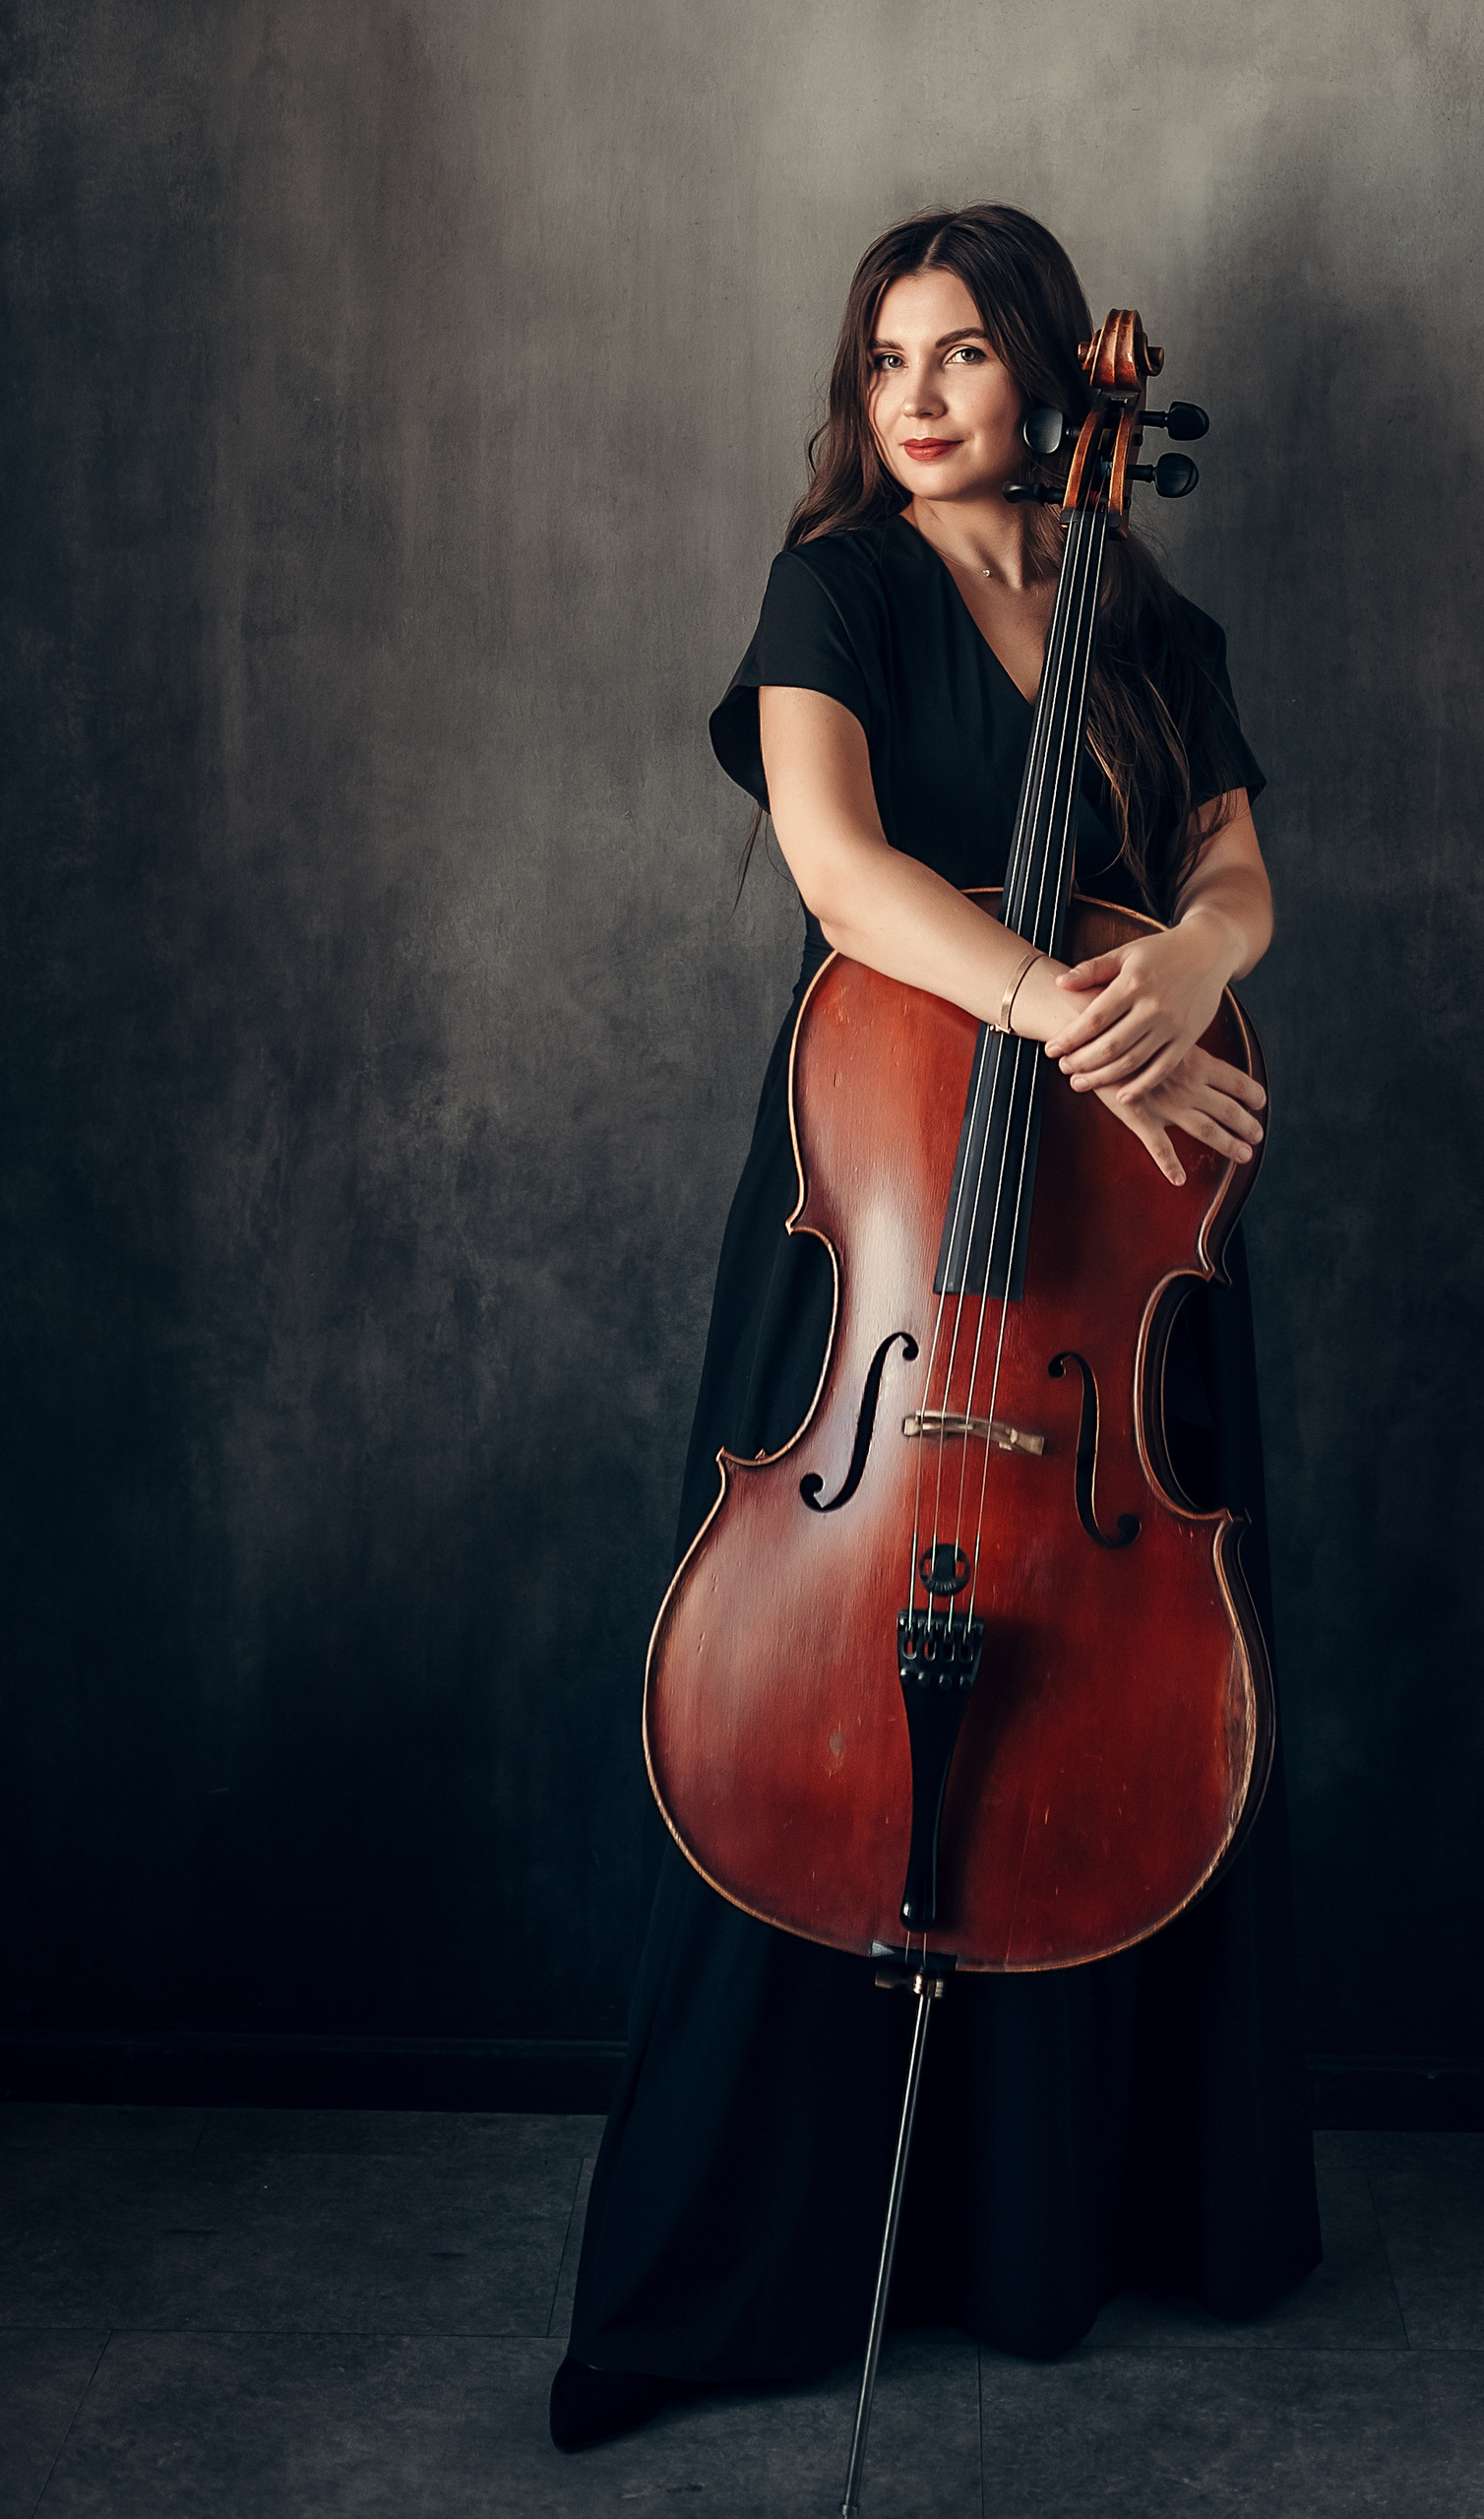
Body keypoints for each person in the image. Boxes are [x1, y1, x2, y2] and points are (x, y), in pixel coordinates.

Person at [551, 204, 1321, 2451]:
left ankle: (1051, 2231)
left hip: (1106, 1252)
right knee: (799, 1712)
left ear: (1052, 388)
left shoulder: (1146, 620)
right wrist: (1072, 1018)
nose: (911, 394)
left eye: (961, 351)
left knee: (1121, 1708)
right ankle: (747, 2253)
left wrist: (1180, 974)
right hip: (886, 1216)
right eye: (881, 355)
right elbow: (834, 869)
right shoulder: (840, 593)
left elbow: (1234, 876)